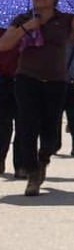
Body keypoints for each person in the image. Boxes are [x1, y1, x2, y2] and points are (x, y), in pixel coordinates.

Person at [0, 0, 74, 196]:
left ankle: (44, 158)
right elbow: (4, 44)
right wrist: (26, 27)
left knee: (51, 132)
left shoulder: (65, 19)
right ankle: (32, 172)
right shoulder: (23, 18)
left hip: (56, 82)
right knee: (27, 126)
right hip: (26, 79)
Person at [0, 27, 21, 176]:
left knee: (24, 125)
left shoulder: (33, 24)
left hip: (25, 78)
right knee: (3, 123)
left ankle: (21, 165)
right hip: (3, 77)